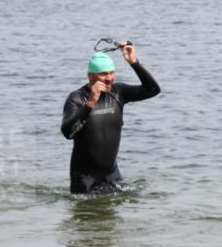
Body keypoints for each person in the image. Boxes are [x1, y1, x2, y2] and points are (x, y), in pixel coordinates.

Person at [61, 42, 160, 193]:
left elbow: (153, 90)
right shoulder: (77, 98)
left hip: (112, 176)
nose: (109, 78)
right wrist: (90, 103)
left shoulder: (118, 92)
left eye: (111, 73)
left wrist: (134, 62)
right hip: (85, 180)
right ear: (90, 76)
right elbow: (68, 133)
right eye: (103, 74)